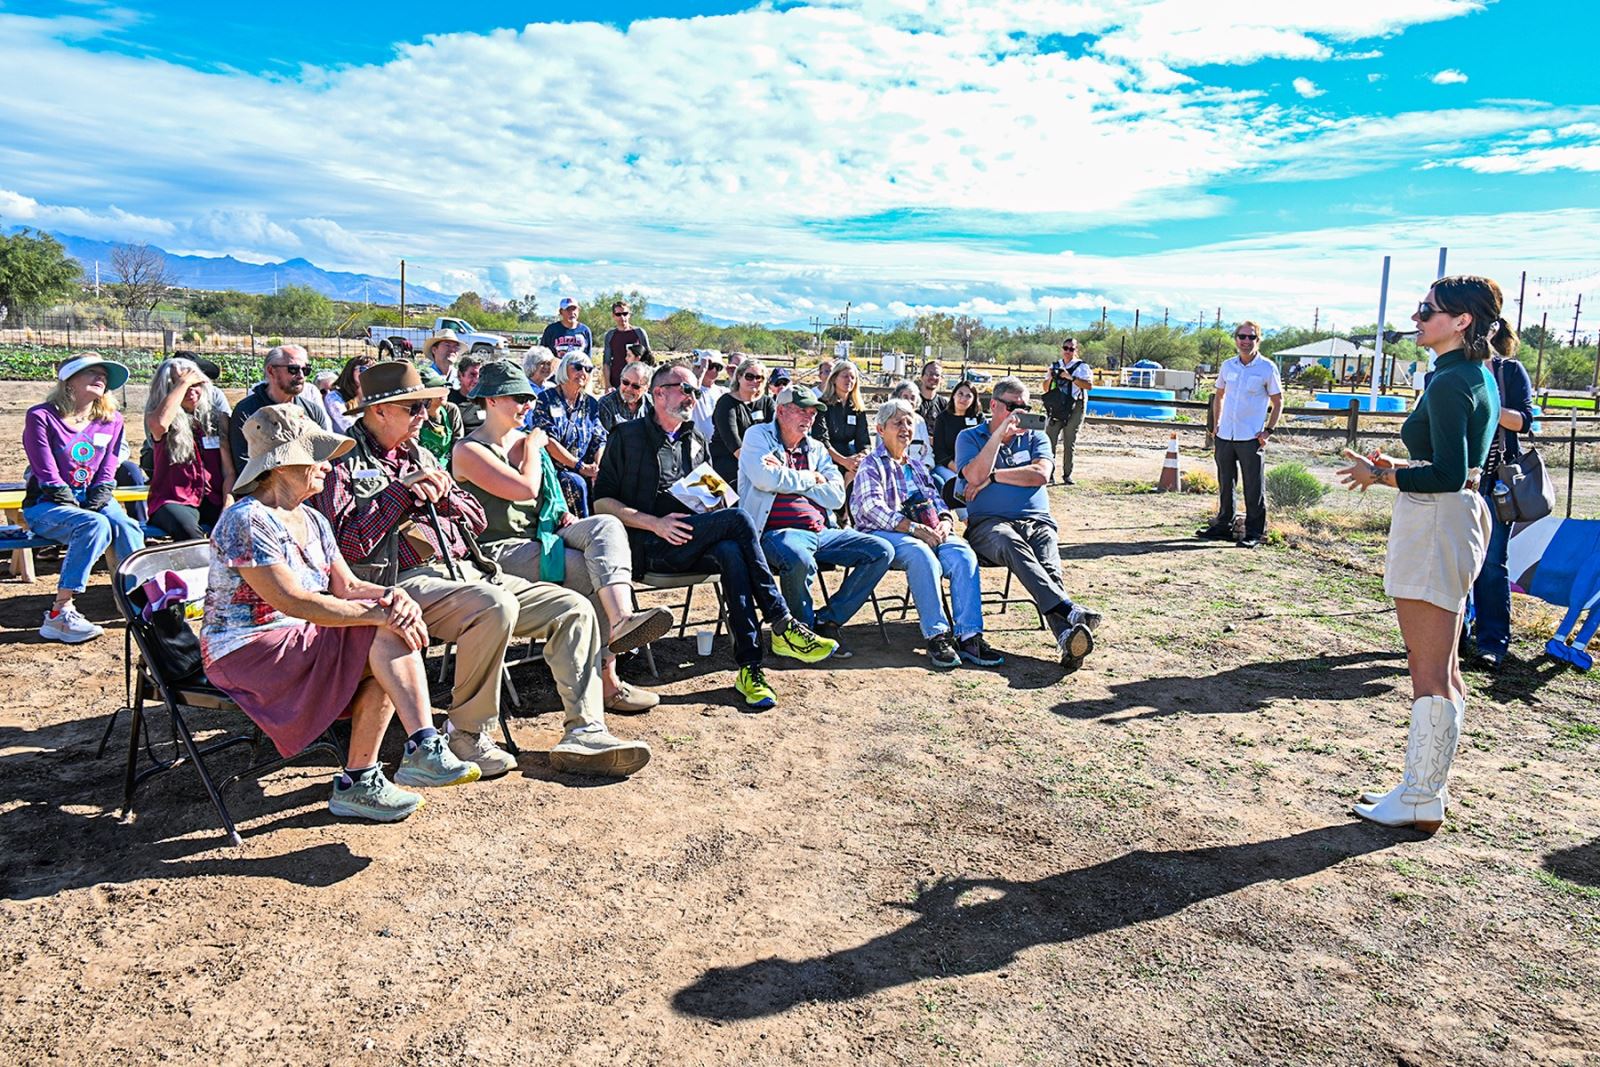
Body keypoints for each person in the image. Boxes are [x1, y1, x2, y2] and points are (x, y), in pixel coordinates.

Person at [313, 361, 650, 780]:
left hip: (463, 569)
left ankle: (585, 730)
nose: (426, 416)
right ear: (380, 411)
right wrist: (400, 495)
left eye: (426, 407)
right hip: (393, 582)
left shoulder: (417, 453)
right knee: (493, 605)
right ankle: (466, 734)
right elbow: (344, 544)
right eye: (415, 407)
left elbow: (474, 518)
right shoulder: (342, 461)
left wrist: (442, 499)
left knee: (573, 607)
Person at [204, 405, 482, 821]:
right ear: (281, 466)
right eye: (315, 455)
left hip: (297, 637)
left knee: (389, 637)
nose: (326, 464)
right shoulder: (246, 519)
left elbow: (348, 587)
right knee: (383, 635)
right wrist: (379, 615)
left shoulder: (312, 518)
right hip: (246, 650)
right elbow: (291, 601)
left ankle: (367, 777)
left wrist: (392, 597)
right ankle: (416, 750)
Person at [1337, 275, 1509, 833]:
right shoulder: (1471, 375)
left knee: (1429, 672)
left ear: (1462, 321)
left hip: (1438, 519)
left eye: (1427, 310)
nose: (1417, 317)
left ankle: (1420, 796)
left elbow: (1448, 474)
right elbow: (1454, 468)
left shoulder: (1451, 380)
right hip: (1454, 517)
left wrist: (1381, 474)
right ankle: (1422, 788)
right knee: (1447, 671)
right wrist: (1398, 469)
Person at [594, 360, 838, 709]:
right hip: (647, 545)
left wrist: (715, 504)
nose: (694, 397)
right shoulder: (627, 436)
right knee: (738, 521)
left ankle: (750, 669)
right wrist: (654, 523)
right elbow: (600, 502)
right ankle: (781, 621)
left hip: (691, 539)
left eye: (696, 390)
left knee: (732, 551)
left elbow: (710, 496)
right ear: (659, 394)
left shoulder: (694, 439)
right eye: (686, 389)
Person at [453, 362, 670, 713]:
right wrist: (534, 447)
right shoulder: (469, 450)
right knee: (588, 571)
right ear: (490, 401)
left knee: (606, 526)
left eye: (528, 398)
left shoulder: (525, 442)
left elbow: (549, 492)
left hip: (544, 537)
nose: (527, 405)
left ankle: (621, 622)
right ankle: (604, 681)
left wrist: (559, 511)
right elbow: (524, 489)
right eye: (518, 398)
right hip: (498, 551)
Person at [956, 375, 1101, 673]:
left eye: (1025, 406)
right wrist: (998, 437)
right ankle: (1068, 610)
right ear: (994, 405)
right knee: (1011, 542)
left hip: (1036, 520)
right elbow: (973, 476)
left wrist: (994, 477)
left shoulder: (1037, 436)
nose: (1020, 412)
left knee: (1047, 564)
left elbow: (1040, 475)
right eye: (1013, 406)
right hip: (989, 526)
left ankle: (1066, 636)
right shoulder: (969, 438)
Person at [738, 386, 891, 658]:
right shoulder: (757, 436)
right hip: (776, 532)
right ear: (781, 410)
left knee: (881, 550)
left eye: (812, 412)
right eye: (802, 410)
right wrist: (811, 478)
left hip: (823, 531)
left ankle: (828, 620)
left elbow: (835, 496)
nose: (809, 417)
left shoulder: (817, 448)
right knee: (799, 558)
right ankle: (801, 632)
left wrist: (786, 477)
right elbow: (764, 479)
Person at [853, 398, 1000, 669]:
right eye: (898, 422)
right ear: (880, 429)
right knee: (922, 555)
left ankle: (969, 635)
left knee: (963, 553)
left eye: (910, 422)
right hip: (887, 533)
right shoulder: (871, 465)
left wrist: (945, 520)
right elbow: (870, 508)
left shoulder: (918, 467)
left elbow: (937, 500)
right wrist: (912, 527)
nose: (905, 428)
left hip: (928, 529)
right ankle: (937, 635)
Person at [21, 354, 146, 643]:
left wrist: (99, 495)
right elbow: (45, 472)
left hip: (95, 499)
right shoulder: (41, 416)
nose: (100, 378)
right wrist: (76, 503)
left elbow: (109, 467)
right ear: (69, 381)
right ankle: (59, 613)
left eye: (104, 374)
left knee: (128, 528)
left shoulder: (111, 420)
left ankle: (139, 601)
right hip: (48, 503)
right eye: (91, 372)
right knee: (94, 526)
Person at [1465, 349, 1535, 669]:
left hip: (1498, 484)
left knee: (1492, 562)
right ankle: (1456, 634)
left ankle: (1492, 642)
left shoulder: (1509, 371)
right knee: (1457, 560)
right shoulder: (1452, 367)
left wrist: (1490, 406)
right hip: (1460, 479)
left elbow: (1524, 421)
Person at [1196, 322, 1283, 549]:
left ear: (1258, 340)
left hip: (1250, 437)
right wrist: (1216, 425)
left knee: (1253, 486)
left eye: (1250, 337)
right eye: (1241, 336)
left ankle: (1254, 532)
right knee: (1225, 481)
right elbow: (1220, 395)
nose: (1245, 341)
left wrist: (1269, 431)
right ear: (1235, 339)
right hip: (1226, 434)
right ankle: (1223, 525)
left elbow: (1278, 401)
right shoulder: (1228, 366)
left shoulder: (1266, 368)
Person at [143, 356, 235, 540]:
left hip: (214, 498)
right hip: (174, 499)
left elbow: (228, 472)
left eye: (196, 384)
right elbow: (160, 425)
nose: (191, 391)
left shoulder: (218, 419)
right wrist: (184, 381)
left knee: (238, 526)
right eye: (183, 386)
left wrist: (228, 506)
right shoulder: (158, 419)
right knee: (190, 533)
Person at [528, 351, 607, 517]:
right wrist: (579, 467)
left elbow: (599, 439)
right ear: (564, 369)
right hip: (555, 467)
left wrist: (597, 468)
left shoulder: (590, 403)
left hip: (585, 467)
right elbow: (547, 440)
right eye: (577, 367)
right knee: (574, 482)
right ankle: (580, 530)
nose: (583, 373)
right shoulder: (545, 399)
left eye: (588, 369)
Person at [229, 345, 332, 472]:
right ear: (271, 371)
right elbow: (244, 465)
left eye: (306, 370)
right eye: (293, 369)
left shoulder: (312, 411)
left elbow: (324, 456)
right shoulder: (247, 411)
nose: (301, 375)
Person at [710, 357, 773, 484]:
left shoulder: (767, 402)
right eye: (749, 376)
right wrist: (759, 467)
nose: (754, 381)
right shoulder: (726, 403)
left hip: (762, 461)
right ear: (739, 377)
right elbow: (733, 443)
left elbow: (775, 433)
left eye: (759, 377)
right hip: (729, 464)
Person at [1042, 340, 1093, 485]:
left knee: (1069, 440)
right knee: (1050, 439)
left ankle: (1067, 474)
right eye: (1065, 348)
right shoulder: (1055, 365)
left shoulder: (1082, 366)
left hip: (1075, 405)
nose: (1068, 351)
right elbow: (1045, 388)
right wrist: (1052, 376)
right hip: (1057, 404)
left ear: (1076, 350)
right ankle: (1048, 474)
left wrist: (1070, 377)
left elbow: (1089, 385)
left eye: (1071, 349)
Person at [817, 360, 871, 482]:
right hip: (827, 457)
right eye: (845, 376)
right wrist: (845, 462)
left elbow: (864, 441)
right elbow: (821, 440)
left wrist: (862, 456)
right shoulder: (822, 405)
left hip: (850, 456)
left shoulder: (857, 408)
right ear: (834, 379)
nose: (849, 380)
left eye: (853, 377)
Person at [932, 380, 983, 494]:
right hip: (948, 466)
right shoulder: (943, 419)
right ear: (954, 395)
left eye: (968, 396)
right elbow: (939, 451)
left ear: (974, 400)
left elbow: (984, 446)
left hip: (973, 467)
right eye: (960, 394)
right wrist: (958, 470)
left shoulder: (979, 419)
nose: (963, 399)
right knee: (955, 485)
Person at [415, 365, 466, 469]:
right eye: (436, 388)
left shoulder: (451, 410)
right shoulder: (417, 414)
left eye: (443, 387)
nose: (443, 391)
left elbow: (457, 443)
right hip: (421, 467)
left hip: (446, 468)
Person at [601, 300, 650, 392]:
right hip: (616, 381)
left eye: (625, 313)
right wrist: (608, 385)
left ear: (629, 314)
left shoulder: (639, 333)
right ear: (613, 316)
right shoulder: (610, 335)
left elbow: (648, 358)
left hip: (636, 382)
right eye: (618, 314)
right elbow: (606, 362)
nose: (622, 317)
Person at [884, 380, 933, 466]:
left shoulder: (920, 421)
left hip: (918, 467)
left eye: (913, 398)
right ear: (897, 398)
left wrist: (925, 468)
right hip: (893, 467)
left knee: (939, 480)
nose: (909, 401)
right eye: (905, 397)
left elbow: (927, 451)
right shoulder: (887, 419)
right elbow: (882, 451)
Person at [597, 361, 652, 433]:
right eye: (625, 382)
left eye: (636, 386)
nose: (629, 389)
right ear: (620, 380)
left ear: (646, 388)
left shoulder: (652, 403)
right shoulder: (606, 404)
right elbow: (602, 440)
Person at [324, 354, 373, 434]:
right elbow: (347, 425)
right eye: (363, 369)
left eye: (372, 370)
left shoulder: (373, 396)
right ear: (350, 372)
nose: (368, 373)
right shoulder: (334, 397)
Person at [688, 350, 727, 441]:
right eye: (710, 366)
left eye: (718, 367)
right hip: (694, 443)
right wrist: (702, 371)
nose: (714, 370)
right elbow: (691, 393)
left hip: (716, 446)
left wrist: (734, 375)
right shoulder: (691, 389)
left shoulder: (722, 391)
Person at [451, 354, 487, 433]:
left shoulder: (488, 401)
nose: (476, 381)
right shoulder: (450, 401)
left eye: (480, 376)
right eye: (472, 375)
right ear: (460, 375)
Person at [915, 360, 948, 428]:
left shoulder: (944, 405)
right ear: (922, 377)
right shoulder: (912, 401)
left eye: (937, 375)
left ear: (941, 379)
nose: (933, 377)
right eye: (930, 374)